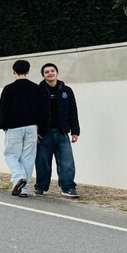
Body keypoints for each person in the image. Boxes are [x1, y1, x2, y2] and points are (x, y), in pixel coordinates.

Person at [35, 62, 80, 198]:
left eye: (52, 71)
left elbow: (73, 111)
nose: (50, 73)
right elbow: (33, 112)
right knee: (43, 163)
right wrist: (34, 131)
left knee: (67, 162)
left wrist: (75, 131)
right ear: (43, 75)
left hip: (62, 132)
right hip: (44, 134)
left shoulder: (66, 90)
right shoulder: (38, 91)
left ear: (57, 73)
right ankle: (41, 187)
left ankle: (68, 188)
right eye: (47, 72)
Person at [0, 59, 39, 197]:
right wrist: (41, 128)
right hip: (32, 127)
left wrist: (3, 125)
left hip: (14, 127)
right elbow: (43, 110)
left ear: (14, 71)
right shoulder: (36, 88)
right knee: (28, 157)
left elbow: (3, 109)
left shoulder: (8, 89)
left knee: (10, 154)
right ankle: (23, 189)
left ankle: (19, 177)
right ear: (28, 71)